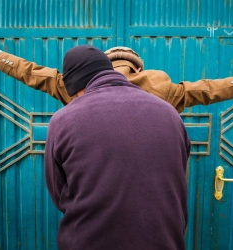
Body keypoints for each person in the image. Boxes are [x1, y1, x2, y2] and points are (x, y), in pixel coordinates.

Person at [44, 45, 191, 249]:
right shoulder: (170, 114)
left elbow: (60, 194)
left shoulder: (64, 119)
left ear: (77, 85)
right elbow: (177, 178)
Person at [0, 34, 233, 113]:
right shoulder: (160, 85)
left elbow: (31, 71)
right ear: (138, 67)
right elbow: (206, 89)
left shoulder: (75, 82)